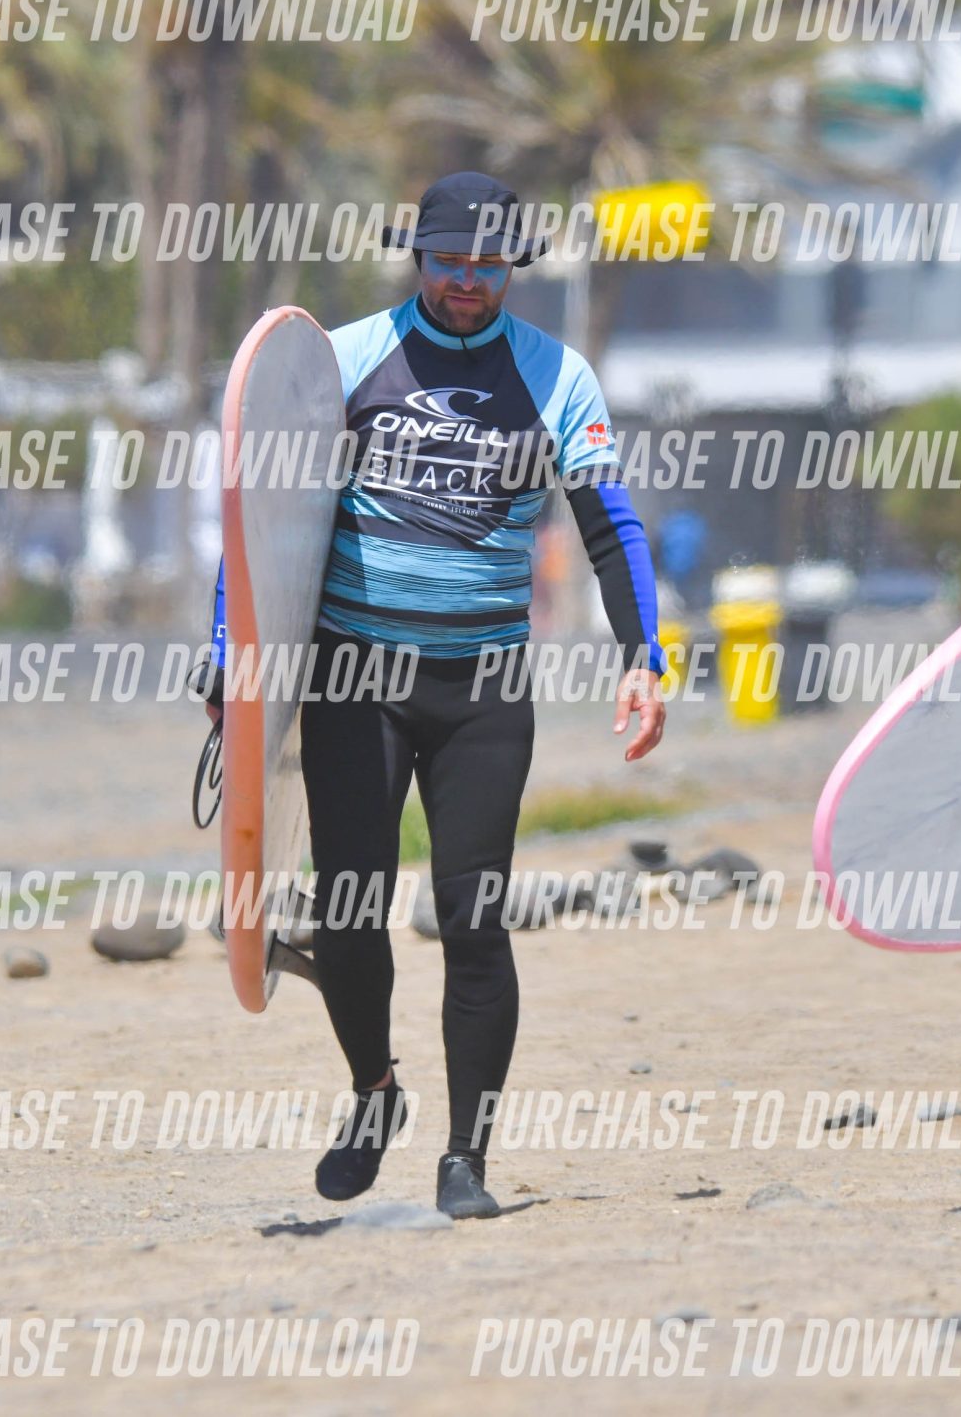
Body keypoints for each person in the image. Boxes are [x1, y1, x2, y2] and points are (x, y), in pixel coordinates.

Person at [208, 170, 668, 1219]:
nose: (466, 281)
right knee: (348, 908)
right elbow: (258, 517)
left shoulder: (557, 376)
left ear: (513, 267)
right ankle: (374, 1090)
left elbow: (609, 525)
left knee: (473, 916)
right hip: (355, 677)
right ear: (417, 255)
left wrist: (644, 656)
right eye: (449, 260)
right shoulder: (341, 362)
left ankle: (467, 1155)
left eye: (486, 265)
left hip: (484, 687)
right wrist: (228, 658)